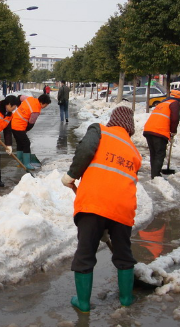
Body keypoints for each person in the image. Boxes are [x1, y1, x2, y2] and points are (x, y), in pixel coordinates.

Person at [61, 106, 142, 313]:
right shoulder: (133, 150)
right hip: (123, 209)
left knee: (86, 253)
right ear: (130, 128)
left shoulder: (100, 130)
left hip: (94, 204)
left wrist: (72, 174)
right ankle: (126, 298)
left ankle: (84, 303)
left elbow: (86, 150)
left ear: (112, 120)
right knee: (124, 255)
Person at [143, 89, 180, 179]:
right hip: (159, 131)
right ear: (178, 98)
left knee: (154, 153)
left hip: (149, 129)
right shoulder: (174, 103)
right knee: (160, 153)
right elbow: (175, 119)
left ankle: (154, 173)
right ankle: (156, 175)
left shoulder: (162, 103)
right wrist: (173, 131)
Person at [11, 94, 51, 169]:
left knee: (20, 143)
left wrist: (19, 107)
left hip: (13, 122)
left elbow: (19, 97)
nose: (45, 107)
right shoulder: (36, 111)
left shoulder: (30, 99)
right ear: (43, 103)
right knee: (26, 143)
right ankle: (26, 164)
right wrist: (25, 130)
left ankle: (20, 162)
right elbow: (31, 123)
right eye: (46, 105)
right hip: (19, 126)